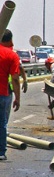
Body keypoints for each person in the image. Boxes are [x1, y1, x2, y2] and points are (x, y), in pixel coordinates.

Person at [0, 29, 21, 161]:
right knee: (2, 123)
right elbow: (15, 78)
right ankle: (1, 151)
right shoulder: (11, 55)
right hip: (3, 93)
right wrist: (18, 98)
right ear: (9, 40)